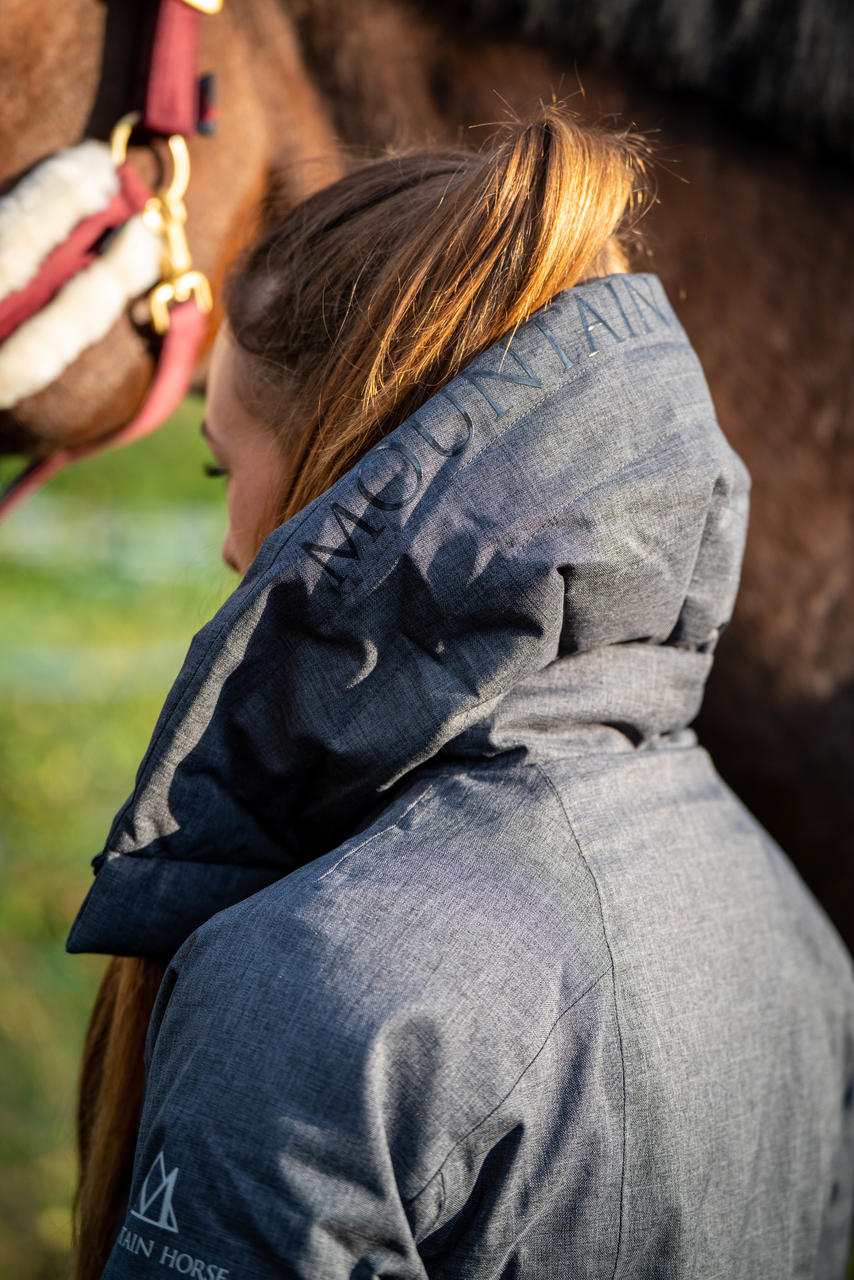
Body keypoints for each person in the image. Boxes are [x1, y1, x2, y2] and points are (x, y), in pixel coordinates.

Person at [66, 108, 854, 1279]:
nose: (233, 543)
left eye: (222, 469)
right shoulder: (791, 929)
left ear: (345, 482)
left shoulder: (310, 993)